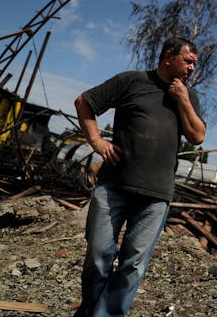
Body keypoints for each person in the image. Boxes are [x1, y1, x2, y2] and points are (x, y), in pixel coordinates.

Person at [73, 37, 206, 317]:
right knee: (98, 256)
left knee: (133, 265)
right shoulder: (131, 82)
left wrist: (182, 99)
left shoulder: (187, 96)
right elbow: (84, 102)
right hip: (114, 187)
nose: (193, 68)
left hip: (156, 195)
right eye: (188, 61)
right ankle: (88, 311)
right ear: (168, 57)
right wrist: (97, 142)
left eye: (195, 63)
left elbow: (197, 136)